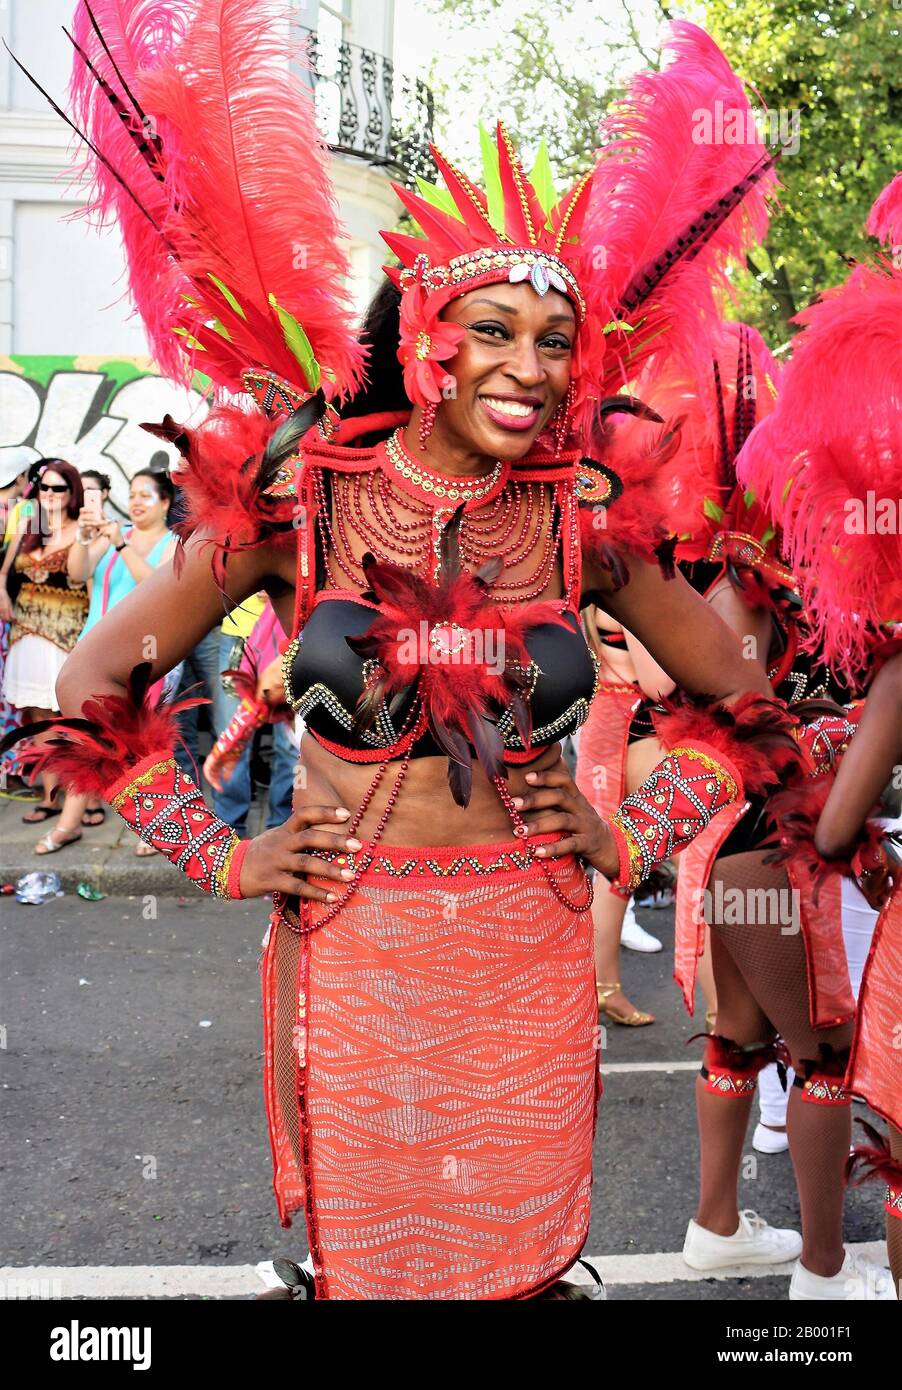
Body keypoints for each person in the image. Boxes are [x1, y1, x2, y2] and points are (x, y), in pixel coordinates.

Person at [16, 7, 833, 1299]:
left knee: (519, 1267)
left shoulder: (582, 524)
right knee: (382, 1275)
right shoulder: (308, 502)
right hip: (360, 954)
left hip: (529, 946)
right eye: (492, 331)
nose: (526, 367)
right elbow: (86, 681)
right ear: (424, 341)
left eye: (553, 341)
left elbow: (746, 701)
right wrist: (223, 852)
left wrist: (626, 834)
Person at [737, 170, 902, 1299]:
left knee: (815, 1066)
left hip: (758, 843)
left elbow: (837, 819)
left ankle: (820, 1266)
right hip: (758, 851)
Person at [69, 467, 177, 842]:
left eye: (145, 495)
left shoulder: (173, 544)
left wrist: (121, 545)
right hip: (95, 652)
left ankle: (155, 831)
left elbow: (156, 587)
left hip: (142, 657)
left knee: (145, 746)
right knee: (90, 740)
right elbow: (76, 572)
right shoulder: (116, 534)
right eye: (131, 494)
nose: (135, 502)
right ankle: (70, 824)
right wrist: (84, 540)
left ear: (165, 503)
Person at [0, 458, 90, 851]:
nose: (50, 496)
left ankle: (80, 798)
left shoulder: (80, 531)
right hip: (25, 637)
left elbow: (76, 576)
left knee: (68, 722)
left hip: (64, 639)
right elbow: (5, 572)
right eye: (45, 488)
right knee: (37, 720)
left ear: (73, 493)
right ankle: (50, 798)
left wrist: (82, 536)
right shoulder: (26, 527)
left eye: (59, 489)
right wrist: (2, 591)